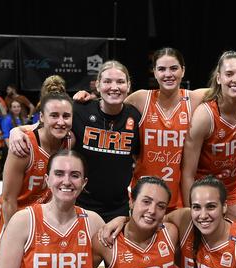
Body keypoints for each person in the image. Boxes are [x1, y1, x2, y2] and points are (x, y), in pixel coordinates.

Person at [73, 47, 236, 212]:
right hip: (144, 192)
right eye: (162, 69)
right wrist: (88, 100)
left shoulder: (195, 98)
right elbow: (111, 102)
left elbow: (231, 85)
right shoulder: (141, 98)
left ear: (183, 71)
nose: (168, 74)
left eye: (174, 68)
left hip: (179, 194)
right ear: (154, 72)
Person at [9, 61, 142, 222]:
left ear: (128, 86)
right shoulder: (80, 109)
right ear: (98, 85)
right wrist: (17, 130)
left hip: (118, 210)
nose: (114, 87)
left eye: (120, 82)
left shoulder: (136, 117)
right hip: (78, 205)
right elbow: (47, 124)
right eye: (107, 81)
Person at [0, 92, 73, 262]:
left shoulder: (69, 141)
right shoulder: (24, 146)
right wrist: (14, 238)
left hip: (43, 222)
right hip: (14, 218)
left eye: (66, 116)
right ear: (41, 117)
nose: (61, 121)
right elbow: (8, 200)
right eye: (54, 115)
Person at [181, 51, 236, 223]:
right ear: (219, 78)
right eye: (229, 74)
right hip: (205, 187)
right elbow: (187, 173)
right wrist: (189, 213)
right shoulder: (204, 115)